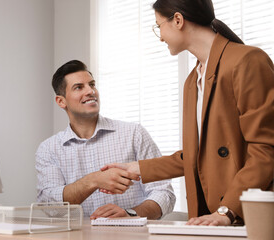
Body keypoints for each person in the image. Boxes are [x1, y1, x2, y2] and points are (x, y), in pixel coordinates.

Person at [101, 0, 274, 226]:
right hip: (209, 218)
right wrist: (138, 169)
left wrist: (226, 211)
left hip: (249, 216)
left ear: (178, 20)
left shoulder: (247, 60)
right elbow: (197, 155)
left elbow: (265, 150)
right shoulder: (193, 81)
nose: (160, 36)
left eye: (158, 26)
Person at [35, 60, 175, 219]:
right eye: (79, 87)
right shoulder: (49, 149)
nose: (90, 91)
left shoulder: (134, 133)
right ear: (61, 101)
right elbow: (50, 207)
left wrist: (131, 214)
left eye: (92, 84)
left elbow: (164, 192)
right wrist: (93, 180)